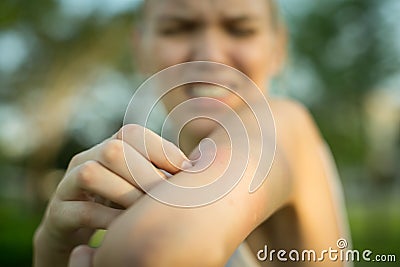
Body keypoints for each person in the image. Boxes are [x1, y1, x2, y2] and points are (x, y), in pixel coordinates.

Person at [33, 0, 351, 266]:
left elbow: (150, 249)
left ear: (278, 49)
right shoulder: (141, 171)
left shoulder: (287, 127)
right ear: (140, 49)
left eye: (241, 29)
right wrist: (53, 250)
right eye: (177, 28)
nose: (210, 53)